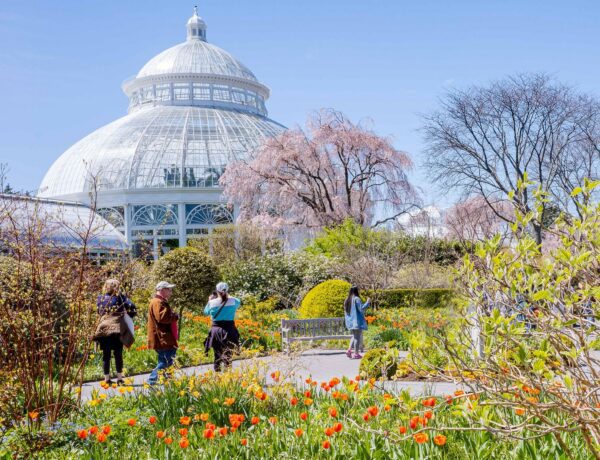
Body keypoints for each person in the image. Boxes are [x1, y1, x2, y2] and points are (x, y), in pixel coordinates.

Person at [94, 279, 137, 385]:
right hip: (117, 328)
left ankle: (107, 379)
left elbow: (98, 311)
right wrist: (128, 315)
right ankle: (119, 378)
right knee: (118, 354)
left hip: (103, 329)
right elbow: (132, 308)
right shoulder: (120, 297)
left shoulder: (100, 298)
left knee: (106, 355)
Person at [204, 282, 241, 372]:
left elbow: (206, 312)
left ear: (217, 291)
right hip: (229, 330)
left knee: (217, 355)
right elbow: (238, 303)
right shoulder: (234, 301)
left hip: (216, 330)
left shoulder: (211, 303)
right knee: (228, 355)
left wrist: (210, 300)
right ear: (227, 290)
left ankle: (218, 377)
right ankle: (228, 377)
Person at [147, 281, 179, 385]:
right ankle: (151, 381)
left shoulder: (158, 301)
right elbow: (162, 318)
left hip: (163, 337)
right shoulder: (158, 302)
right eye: (169, 290)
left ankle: (169, 381)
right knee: (164, 362)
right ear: (162, 290)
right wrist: (175, 316)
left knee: (168, 361)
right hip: (163, 337)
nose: (171, 292)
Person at [344, 286, 370, 359]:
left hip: (350, 321)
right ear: (356, 291)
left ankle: (349, 350)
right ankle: (356, 354)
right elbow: (361, 309)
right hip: (357, 321)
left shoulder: (347, 299)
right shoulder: (356, 299)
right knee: (357, 338)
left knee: (354, 336)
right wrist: (367, 302)